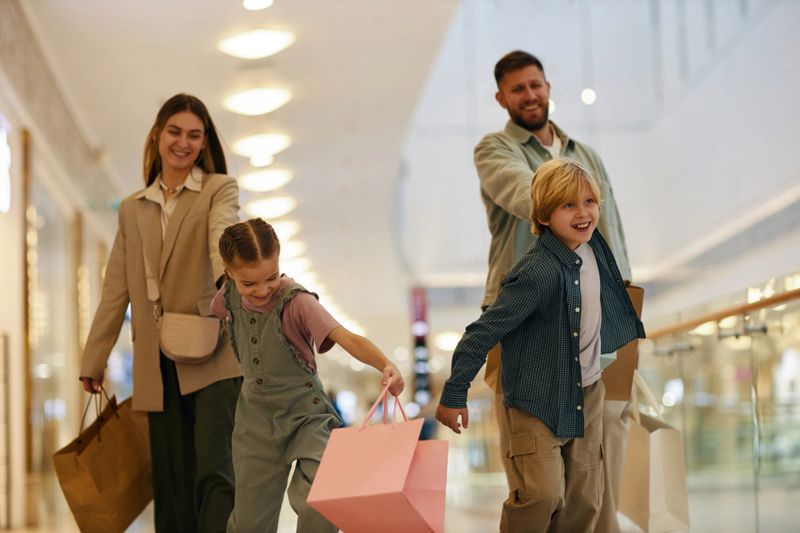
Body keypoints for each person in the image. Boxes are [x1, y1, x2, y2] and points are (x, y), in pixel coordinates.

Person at [436, 159, 644, 532]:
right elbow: (481, 332)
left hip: (587, 396)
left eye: (589, 202)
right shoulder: (537, 272)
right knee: (541, 495)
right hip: (537, 402)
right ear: (544, 216)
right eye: (568, 205)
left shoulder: (595, 246)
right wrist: (454, 393)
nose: (582, 213)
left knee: (585, 501)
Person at [474, 50, 633, 532]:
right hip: (528, 319)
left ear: (548, 87)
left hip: (596, 316)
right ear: (501, 97)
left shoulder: (585, 152)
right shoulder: (494, 150)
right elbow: (530, 195)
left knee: (600, 457)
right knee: (537, 471)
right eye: (518, 88)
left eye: (536, 85)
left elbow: (615, 232)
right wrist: (572, 192)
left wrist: (624, 296)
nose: (530, 95)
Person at [80, 93, 242, 533]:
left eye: (194, 134)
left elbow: (222, 234)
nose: (183, 143)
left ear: (204, 141)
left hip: (213, 353)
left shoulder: (217, 189)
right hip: (155, 360)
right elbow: (116, 289)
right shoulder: (133, 208)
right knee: (170, 480)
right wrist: (93, 359)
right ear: (157, 134)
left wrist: (230, 276)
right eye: (175, 132)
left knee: (215, 472)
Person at [212, 217, 405, 533]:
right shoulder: (226, 298)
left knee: (325, 498)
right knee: (249, 524)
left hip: (306, 417)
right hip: (254, 424)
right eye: (249, 283)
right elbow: (218, 315)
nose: (262, 290)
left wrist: (386, 364)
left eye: (271, 277)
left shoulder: (297, 302)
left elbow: (347, 337)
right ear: (229, 271)